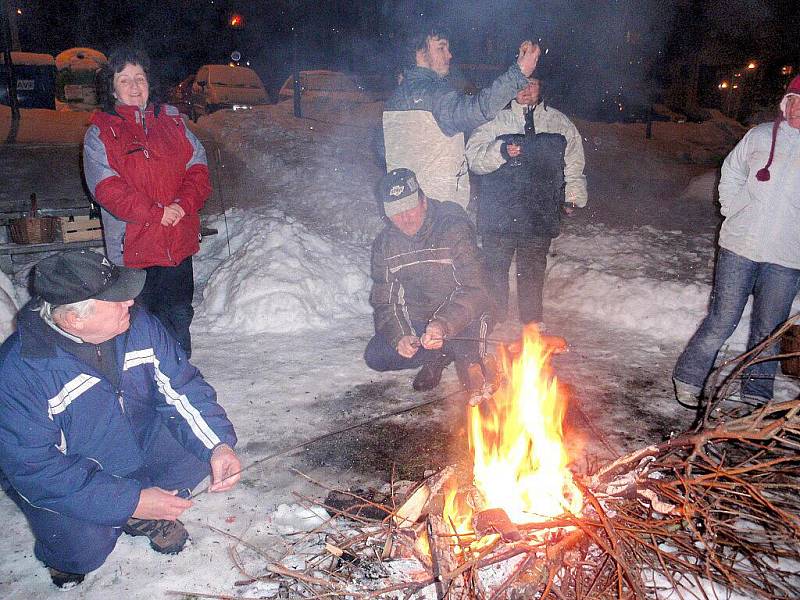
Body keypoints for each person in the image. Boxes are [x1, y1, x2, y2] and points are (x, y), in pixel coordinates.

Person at [0, 250, 241, 588]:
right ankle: (86, 538)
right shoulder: (18, 373)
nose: (130, 301)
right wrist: (132, 500)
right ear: (74, 319)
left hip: (134, 439)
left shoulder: (139, 325)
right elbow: (35, 469)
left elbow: (181, 386)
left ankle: (136, 505)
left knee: (201, 451)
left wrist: (218, 445)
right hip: (75, 470)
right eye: (114, 299)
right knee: (83, 549)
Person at [672, 76, 800, 408]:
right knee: (722, 319)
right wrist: (731, 208)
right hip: (739, 246)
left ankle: (756, 395)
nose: (798, 108)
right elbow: (731, 171)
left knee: (768, 332)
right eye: (794, 100)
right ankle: (688, 378)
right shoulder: (758, 136)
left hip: (787, 257)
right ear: (785, 103)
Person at [83, 47, 211, 358]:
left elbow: (198, 168)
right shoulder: (100, 132)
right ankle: (143, 388)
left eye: (140, 78)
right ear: (111, 87)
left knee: (178, 316)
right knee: (136, 323)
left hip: (176, 244)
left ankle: (179, 378)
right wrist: (156, 213)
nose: (134, 87)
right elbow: (106, 189)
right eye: (124, 80)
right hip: (135, 250)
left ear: (149, 84)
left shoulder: (172, 122)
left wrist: (183, 204)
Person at [465, 76, 587, 327]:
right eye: (519, 83)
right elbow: (474, 160)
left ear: (541, 86)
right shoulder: (494, 120)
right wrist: (500, 151)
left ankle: (531, 326)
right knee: (494, 269)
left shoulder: (558, 122)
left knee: (532, 271)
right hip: (499, 215)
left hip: (538, 213)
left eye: (532, 83)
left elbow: (574, 163)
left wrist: (572, 196)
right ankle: (493, 320)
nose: (525, 89)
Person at [364, 168, 494, 400]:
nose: (405, 218)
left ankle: (458, 351)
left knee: (473, 376)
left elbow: (477, 287)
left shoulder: (453, 229)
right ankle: (438, 354)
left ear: (423, 201)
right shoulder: (385, 245)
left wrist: (443, 324)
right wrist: (401, 336)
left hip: (464, 315)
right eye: (395, 212)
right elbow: (386, 300)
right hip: (421, 321)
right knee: (377, 355)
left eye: (409, 208)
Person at [383, 26, 541, 210]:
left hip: (407, 206)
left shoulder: (395, 98)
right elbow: (477, 110)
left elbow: (382, 148)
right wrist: (519, 73)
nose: (449, 55)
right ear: (420, 53)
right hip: (441, 210)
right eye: (441, 48)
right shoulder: (435, 94)